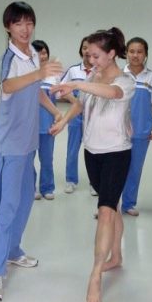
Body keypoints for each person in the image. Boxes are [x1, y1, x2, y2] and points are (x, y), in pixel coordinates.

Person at [0, 1, 63, 301]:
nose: (25, 28)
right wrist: (39, 71)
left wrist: (55, 111)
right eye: (18, 23)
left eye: (29, 22)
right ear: (8, 27)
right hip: (11, 144)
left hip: (30, 141)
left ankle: (13, 250)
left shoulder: (30, 55)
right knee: (5, 207)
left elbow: (35, 90)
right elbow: (8, 85)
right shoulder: (10, 56)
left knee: (26, 200)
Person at [51, 27, 135, 302]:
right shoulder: (92, 76)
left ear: (112, 54)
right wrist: (64, 121)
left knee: (105, 211)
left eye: (96, 56)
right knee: (112, 206)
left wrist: (76, 85)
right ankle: (117, 257)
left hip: (116, 153)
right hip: (93, 152)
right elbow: (83, 102)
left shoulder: (126, 81)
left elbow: (111, 93)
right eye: (88, 56)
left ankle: (96, 275)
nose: (91, 61)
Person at [121, 37, 152, 216]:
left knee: (134, 169)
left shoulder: (151, 77)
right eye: (131, 51)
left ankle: (128, 203)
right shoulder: (119, 75)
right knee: (115, 169)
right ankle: (109, 205)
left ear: (145, 55)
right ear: (126, 53)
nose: (135, 55)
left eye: (139, 52)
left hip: (141, 132)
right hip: (119, 131)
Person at [59, 37, 94, 194]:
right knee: (72, 149)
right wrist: (75, 102)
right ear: (81, 50)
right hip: (75, 116)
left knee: (94, 150)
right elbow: (61, 88)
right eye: (84, 48)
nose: (87, 51)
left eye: (90, 48)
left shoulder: (100, 71)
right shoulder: (73, 70)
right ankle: (71, 180)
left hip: (94, 117)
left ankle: (95, 182)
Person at [31, 39, 56, 200]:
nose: (42, 55)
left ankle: (47, 188)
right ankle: (31, 188)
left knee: (47, 160)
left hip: (48, 126)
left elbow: (60, 96)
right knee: (28, 161)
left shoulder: (54, 76)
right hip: (30, 126)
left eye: (44, 52)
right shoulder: (27, 76)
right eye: (38, 52)